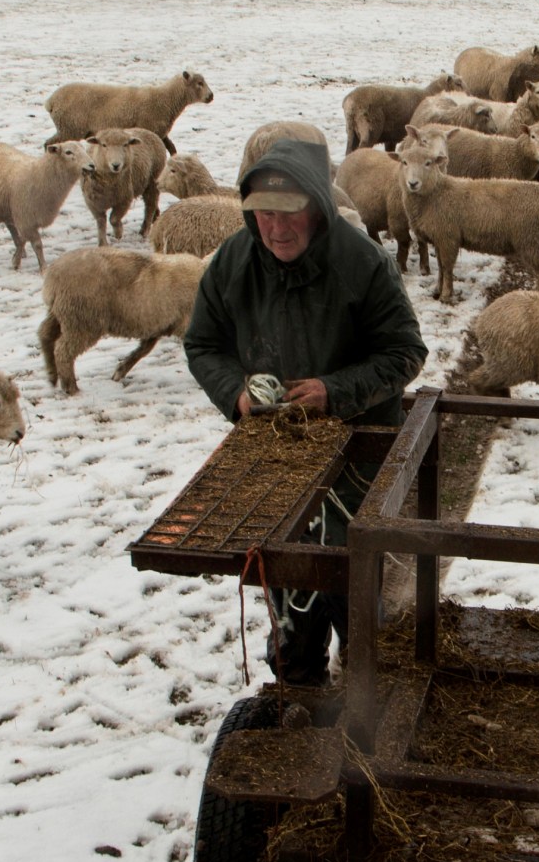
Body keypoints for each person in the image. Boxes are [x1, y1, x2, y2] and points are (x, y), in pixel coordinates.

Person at [182, 137, 426, 686]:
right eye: (263, 214)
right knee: (284, 573)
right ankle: (299, 685)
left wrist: (333, 390)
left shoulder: (361, 262)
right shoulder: (234, 263)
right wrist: (237, 394)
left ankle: (366, 687)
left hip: (357, 450)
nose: (277, 228)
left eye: (290, 213)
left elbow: (405, 352)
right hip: (275, 452)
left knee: (345, 576)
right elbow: (203, 345)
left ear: (317, 205)